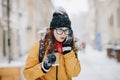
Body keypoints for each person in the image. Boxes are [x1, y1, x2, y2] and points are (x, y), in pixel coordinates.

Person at [23, 7, 81, 80]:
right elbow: (27, 74)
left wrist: (68, 53)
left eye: (66, 30)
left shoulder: (70, 47)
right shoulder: (40, 46)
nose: (63, 34)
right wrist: (43, 67)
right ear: (52, 30)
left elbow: (74, 73)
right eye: (60, 30)